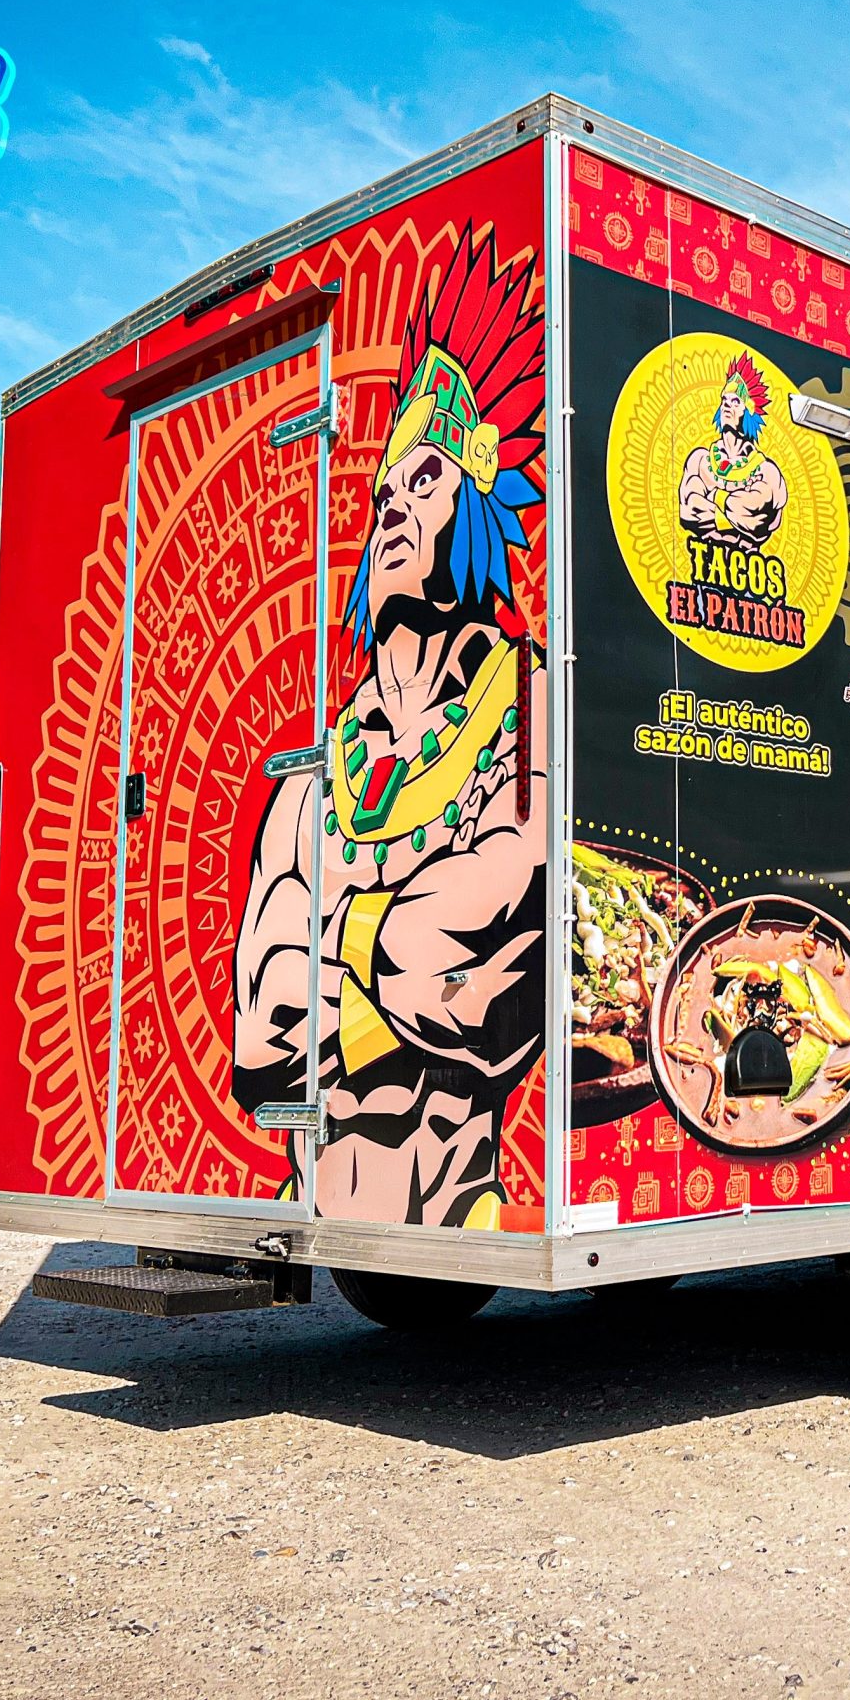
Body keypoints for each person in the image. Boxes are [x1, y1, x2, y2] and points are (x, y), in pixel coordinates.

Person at [230, 226, 548, 1227]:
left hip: (459, 1195)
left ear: (479, 508)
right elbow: (261, 1030)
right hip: (319, 1182)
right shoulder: (312, 773)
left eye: (426, 480)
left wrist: (337, 934)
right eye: (382, 496)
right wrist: (393, 950)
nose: (393, 510)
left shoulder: (528, 705)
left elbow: (480, 967)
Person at [677, 350, 787, 548]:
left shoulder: (766, 470)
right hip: (703, 555)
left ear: (750, 409)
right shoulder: (700, 460)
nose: (727, 406)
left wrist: (713, 496)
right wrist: (735, 515)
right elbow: (688, 511)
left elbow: (759, 521)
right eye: (724, 401)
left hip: (749, 561)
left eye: (736, 402)